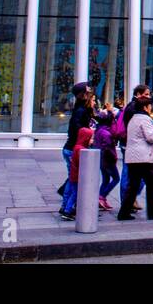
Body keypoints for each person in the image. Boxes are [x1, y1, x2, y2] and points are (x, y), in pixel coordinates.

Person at [116, 94, 153, 220]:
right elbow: (150, 137)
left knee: (132, 186)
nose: (151, 108)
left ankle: (124, 213)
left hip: (133, 157)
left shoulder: (134, 118)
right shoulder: (145, 119)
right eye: (150, 106)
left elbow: (142, 133)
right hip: (145, 158)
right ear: (145, 107)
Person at [59, 82, 94, 214]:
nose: (93, 100)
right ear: (83, 95)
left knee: (72, 178)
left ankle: (66, 206)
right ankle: (68, 207)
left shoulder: (81, 109)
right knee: (74, 179)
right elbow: (76, 129)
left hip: (72, 147)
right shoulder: (80, 111)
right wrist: (89, 134)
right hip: (74, 148)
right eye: (90, 95)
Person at [60, 127, 94, 220]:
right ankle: (67, 211)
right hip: (77, 176)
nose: (92, 140)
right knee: (75, 194)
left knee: (74, 192)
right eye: (91, 138)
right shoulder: (80, 149)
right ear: (86, 138)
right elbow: (82, 163)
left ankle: (67, 208)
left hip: (74, 175)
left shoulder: (77, 147)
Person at [92, 111, 121, 211]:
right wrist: (114, 158)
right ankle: (102, 196)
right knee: (116, 178)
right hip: (108, 160)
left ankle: (101, 199)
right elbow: (108, 148)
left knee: (106, 180)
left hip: (101, 160)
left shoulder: (99, 130)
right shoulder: (106, 133)